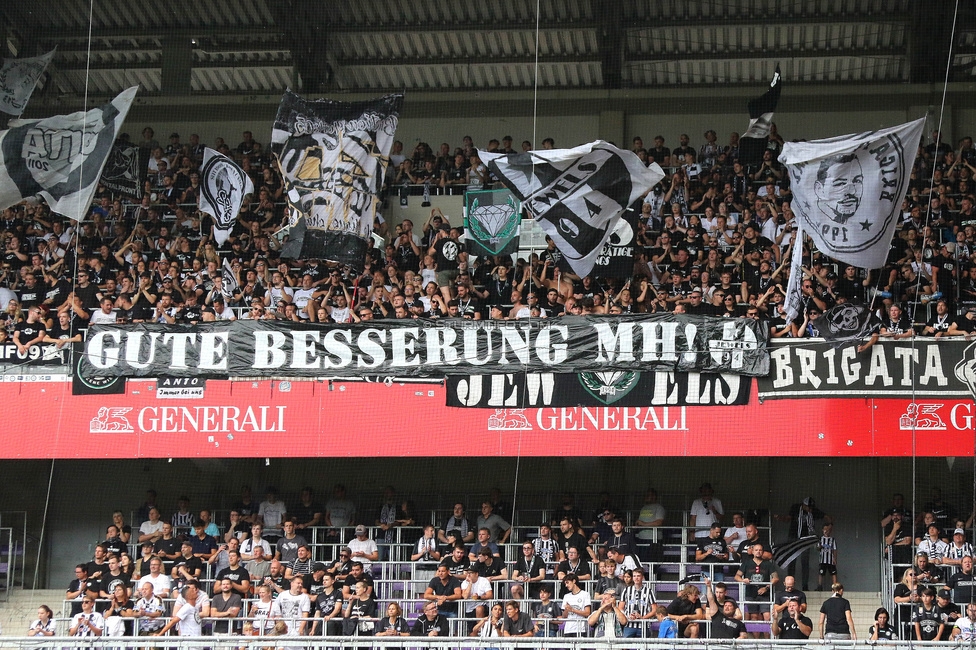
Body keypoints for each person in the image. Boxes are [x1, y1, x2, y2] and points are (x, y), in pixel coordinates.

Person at [559, 573, 592, 638]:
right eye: (565, 583)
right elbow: (564, 617)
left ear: (574, 581)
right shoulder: (566, 596)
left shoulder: (585, 594)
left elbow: (587, 613)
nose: (566, 585)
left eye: (567, 583)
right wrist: (566, 610)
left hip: (580, 629)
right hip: (568, 629)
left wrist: (573, 610)